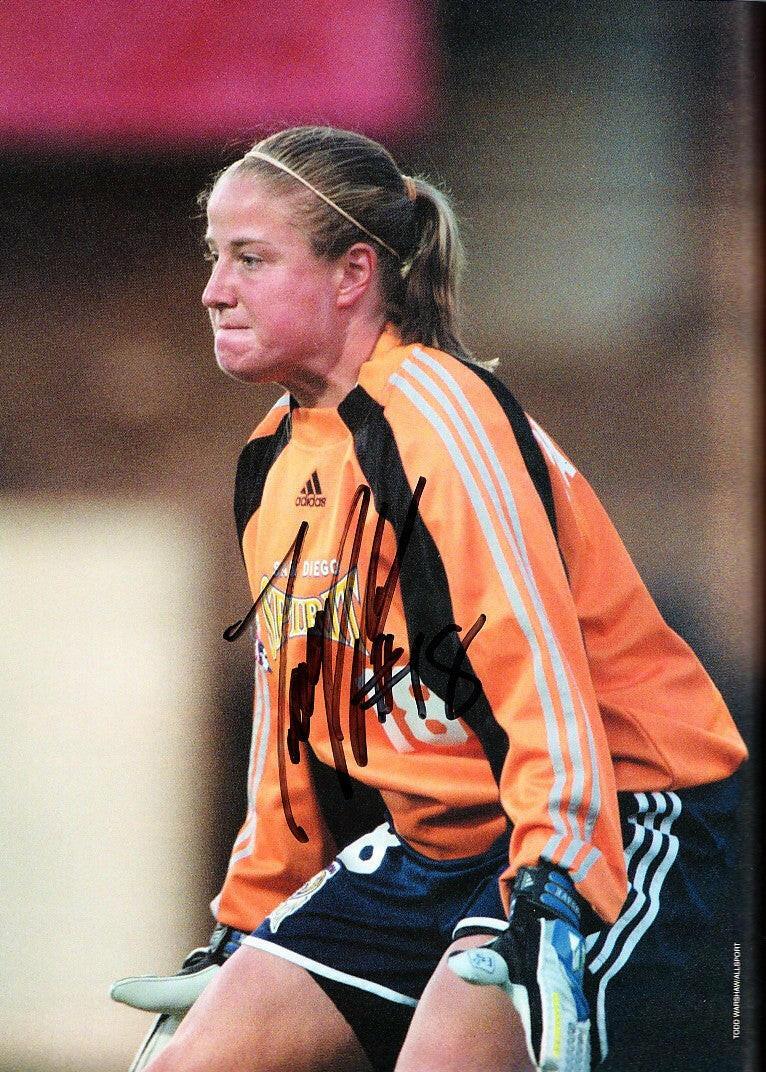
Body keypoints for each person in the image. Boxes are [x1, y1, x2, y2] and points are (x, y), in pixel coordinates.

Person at [113, 125, 747, 1072]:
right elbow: (292, 723)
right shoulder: (273, 460)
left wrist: (553, 885)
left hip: (612, 812)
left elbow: (539, 675)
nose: (214, 289)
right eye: (216, 256)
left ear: (352, 274)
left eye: (250, 258)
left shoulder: (441, 420)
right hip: (444, 842)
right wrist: (251, 919)